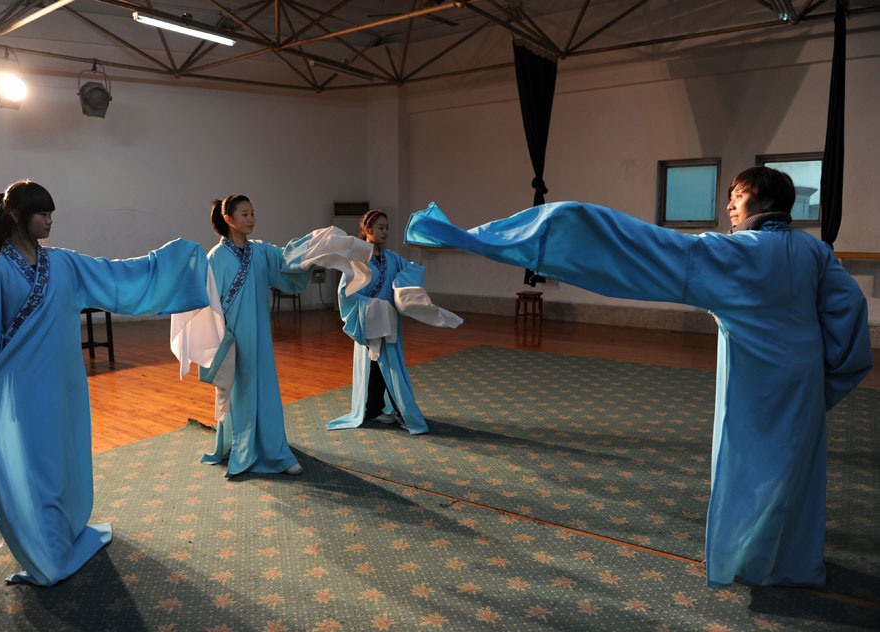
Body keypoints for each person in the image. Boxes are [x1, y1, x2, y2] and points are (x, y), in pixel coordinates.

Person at [404, 166, 873, 588]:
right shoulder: (815, 251)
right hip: (804, 374)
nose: (730, 204)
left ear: (766, 203)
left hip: (758, 379)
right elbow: (848, 311)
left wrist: (565, 223)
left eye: (740, 195)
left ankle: (754, 561)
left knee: (751, 464)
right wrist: (827, 377)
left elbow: (645, 247)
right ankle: (793, 561)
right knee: (795, 467)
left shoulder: (735, 252)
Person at [0, 180, 210, 586]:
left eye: (52, 213)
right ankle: (47, 557)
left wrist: (171, 262)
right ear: (16, 216)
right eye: (42, 213)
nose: (50, 220)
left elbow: (118, 276)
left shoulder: (63, 263)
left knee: (63, 466)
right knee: (35, 471)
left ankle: (63, 538)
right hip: (18, 399)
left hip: (62, 389)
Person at [183, 195, 374, 476]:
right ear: (228, 220)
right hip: (233, 336)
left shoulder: (260, 251)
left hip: (259, 332)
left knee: (265, 389)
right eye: (244, 214)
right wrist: (218, 339)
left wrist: (315, 248)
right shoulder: (216, 257)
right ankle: (241, 447)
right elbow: (208, 302)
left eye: (252, 213)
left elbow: (287, 260)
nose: (251, 219)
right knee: (239, 391)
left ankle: (274, 451)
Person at [328, 210, 462, 435]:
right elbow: (345, 293)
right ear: (368, 230)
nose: (385, 232)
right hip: (369, 319)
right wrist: (371, 306)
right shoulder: (357, 259)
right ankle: (382, 409)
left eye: (387, 227)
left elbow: (408, 273)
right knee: (374, 366)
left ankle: (385, 408)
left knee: (390, 366)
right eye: (380, 227)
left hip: (388, 320)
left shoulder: (391, 258)